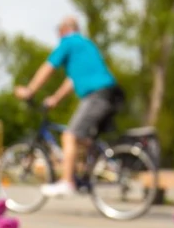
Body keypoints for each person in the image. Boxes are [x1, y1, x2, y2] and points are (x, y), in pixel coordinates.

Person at [15, 15, 121, 198]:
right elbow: (72, 80)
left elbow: (48, 68)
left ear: (64, 29)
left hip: (95, 95)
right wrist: (55, 98)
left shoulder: (68, 42)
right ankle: (90, 172)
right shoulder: (86, 44)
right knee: (83, 138)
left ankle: (67, 182)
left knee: (69, 135)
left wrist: (29, 90)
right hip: (110, 93)